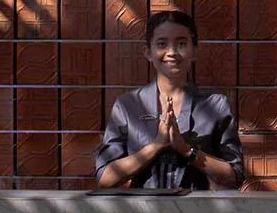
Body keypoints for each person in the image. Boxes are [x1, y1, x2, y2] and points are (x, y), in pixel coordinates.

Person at [95, 10, 245, 189]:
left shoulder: (215, 105)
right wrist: (156, 145)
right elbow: (105, 177)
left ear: (194, 51)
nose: (172, 52)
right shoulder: (128, 106)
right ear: (148, 52)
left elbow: (235, 176)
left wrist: (186, 150)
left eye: (181, 43)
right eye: (161, 43)